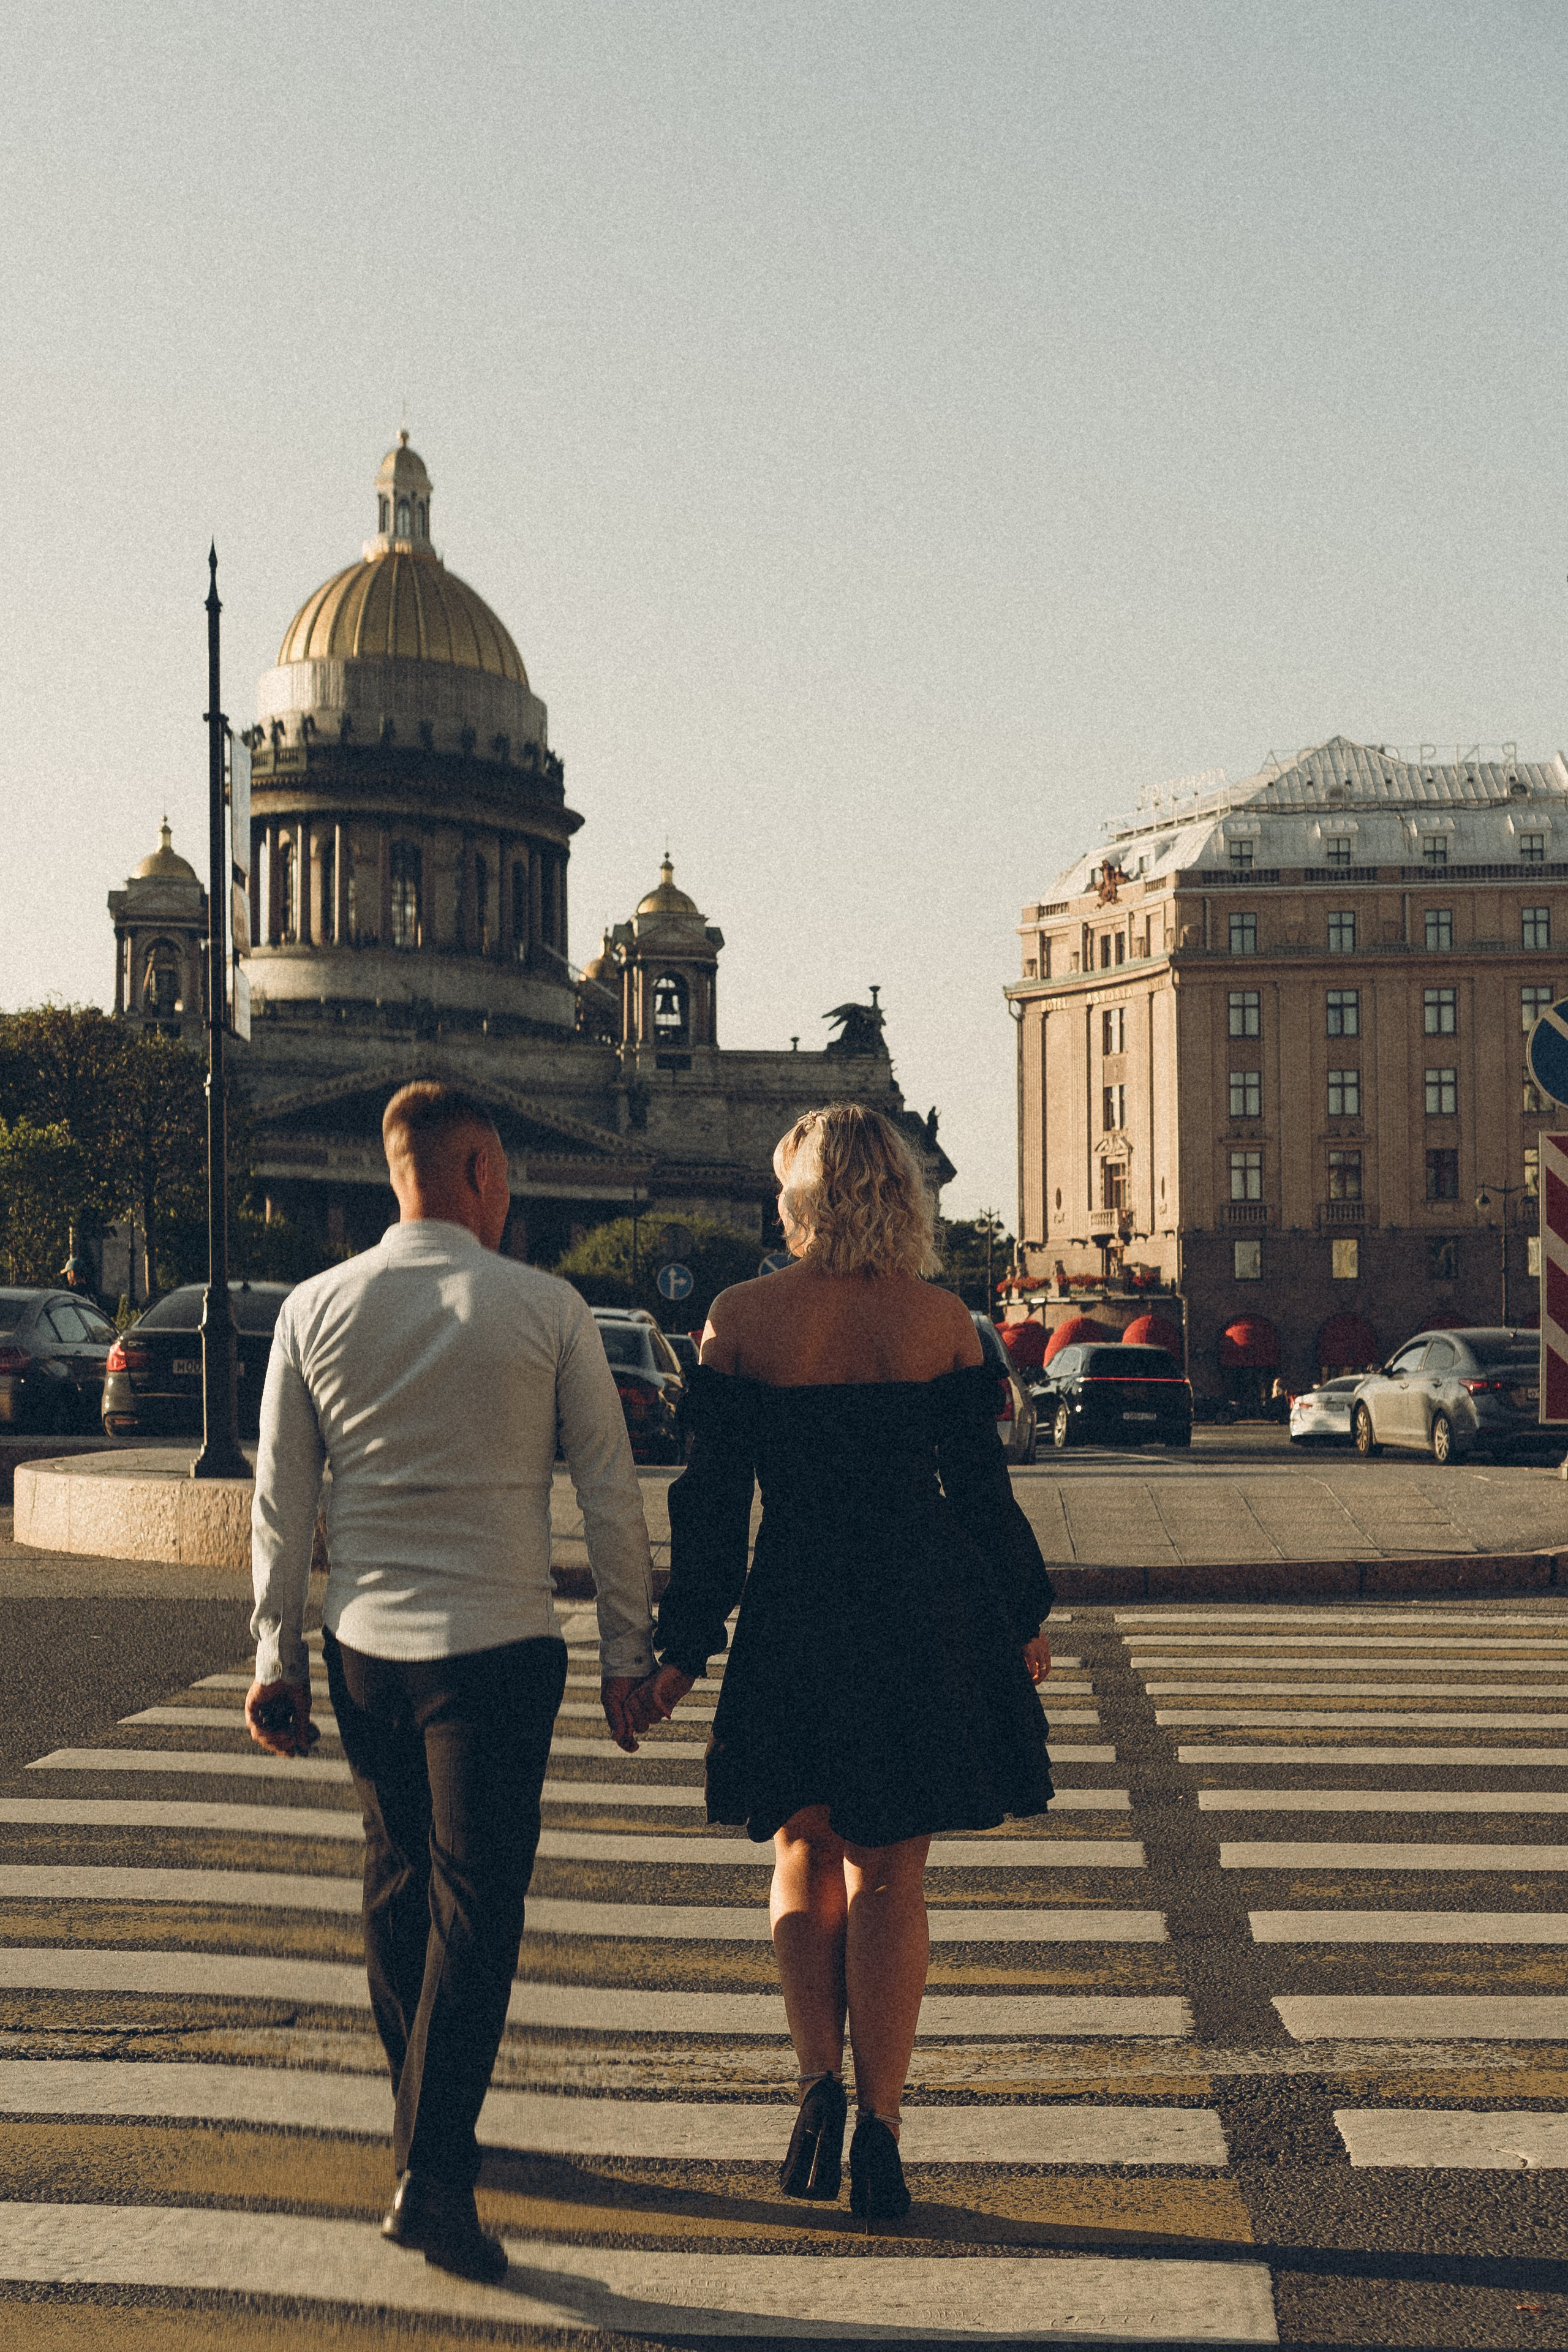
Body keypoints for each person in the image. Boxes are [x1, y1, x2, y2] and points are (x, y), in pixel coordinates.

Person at [246, 1080, 655, 2283]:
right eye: (503, 1174)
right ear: (479, 1170)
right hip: (496, 1646)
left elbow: (281, 1504)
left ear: (394, 1173)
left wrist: (273, 1658)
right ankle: (435, 2171)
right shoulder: (545, 1307)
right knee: (476, 1910)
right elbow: (609, 1494)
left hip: (364, 1646)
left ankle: (420, 2123)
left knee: (396, 1880)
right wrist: (629, 1655)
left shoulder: (313, 1307)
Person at [627, 1104, 1054, 2220]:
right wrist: (1023, 1614)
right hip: (918, 1614)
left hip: (797, 1606)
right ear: (901, 1195)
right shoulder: (941, 1323)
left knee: (802, 1850)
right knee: (892, 1875)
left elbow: (712, 1509)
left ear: (800, 1196)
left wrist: (680, 1652)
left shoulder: (740, 1320)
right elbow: (982, 1496)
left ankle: (814, 2082)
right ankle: (882, 2126)